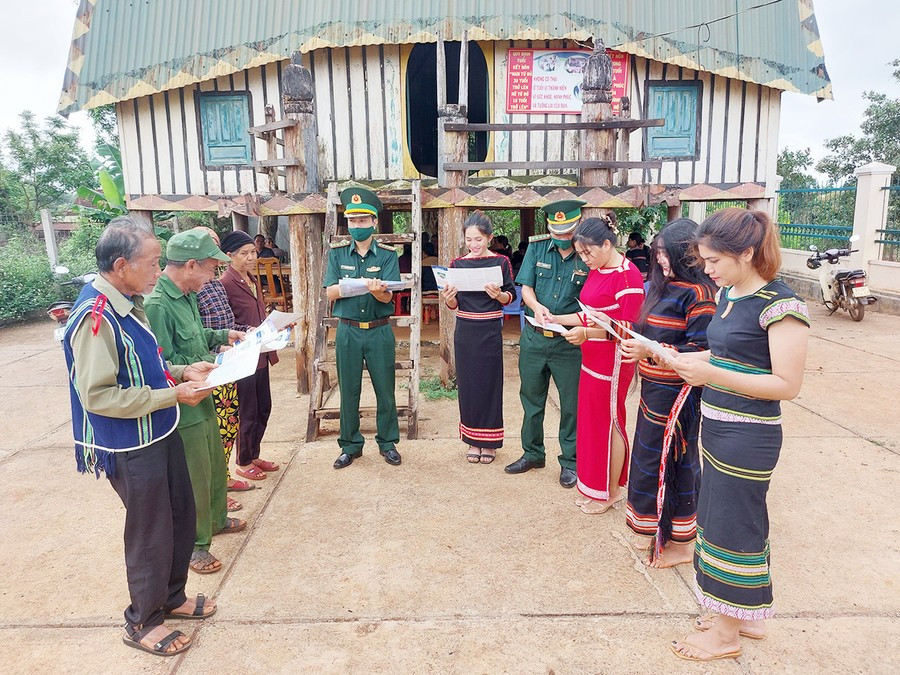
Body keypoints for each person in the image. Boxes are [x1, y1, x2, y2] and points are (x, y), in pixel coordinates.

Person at [63, 218, 219, 656]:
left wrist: (181, 372)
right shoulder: (96, 316)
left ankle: (171, 597)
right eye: (152, 263)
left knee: (180, 515)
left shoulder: (129, 302)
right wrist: (174, 393)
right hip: (128, 442)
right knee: (151, 530)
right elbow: (99, 395)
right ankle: (142, 621)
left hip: (158, 427)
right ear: (120, 265)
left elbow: (141, 368)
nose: (158, 270)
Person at [666, 209, 810, 662]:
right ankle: (742, 613)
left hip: (749, 434)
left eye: (713, 260)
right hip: (720, 423)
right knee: (725, 516)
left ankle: (725, 633)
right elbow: (730, 352)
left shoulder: (781, 306)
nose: (707, 269)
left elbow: (786, 385)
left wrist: (709, 372)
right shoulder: (730, 293)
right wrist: (689, 357)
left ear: (746, 253)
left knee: (733, 524)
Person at [145, 230, 247, 576]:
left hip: (204, 390)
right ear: (190, 265)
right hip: (183, 402)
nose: (212, 278)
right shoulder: (157, 305)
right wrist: (187, 373)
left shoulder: (187, 295)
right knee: (196, 476)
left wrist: (222, 336)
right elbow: (158, 361)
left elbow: (196, 335)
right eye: (209, 270)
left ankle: (217, 519)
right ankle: (195, 545)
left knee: (215, 461)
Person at [619, 219, 716, 568]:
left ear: (689, 255)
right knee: (649, 460)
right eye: (658, 253)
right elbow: (646, 330)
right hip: (653, 390)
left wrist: (651, 351)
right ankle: (658, 530)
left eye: (667, 254)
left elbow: (700, 349)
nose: (660, 261)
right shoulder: (659, 287)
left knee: (677, 463)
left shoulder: (700, 294)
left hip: (680, 394)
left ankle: (682, 542)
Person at [551, 213, 644, 513]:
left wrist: (586, 332)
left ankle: (611, 490)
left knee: (611, 421)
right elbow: (588, 313)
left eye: (587, 252)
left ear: (606, 244)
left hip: (614, 360)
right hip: (591, 357)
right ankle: (595, 486)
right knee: (592, 423)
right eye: (580, 253)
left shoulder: (628, 276)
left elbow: (627, 329)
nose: (584, 259)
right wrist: (555, 319)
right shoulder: (598, 269)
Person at [505, 199, 589, 488]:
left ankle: (571, 461)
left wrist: (565, 320)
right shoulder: (538, 247)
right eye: (556, 230)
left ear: (578, 226)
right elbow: (526, 287)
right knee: (531, 399)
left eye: (567, 231)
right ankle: (532, 453)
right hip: (534, 338)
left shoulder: (586, 255)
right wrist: (535, 306)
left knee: (571, 405)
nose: (562, 237)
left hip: (569, 343)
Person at [323, 187, 402, 469]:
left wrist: (377, 291)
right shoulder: (337, 254)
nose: (356, 226)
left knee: (385, 389)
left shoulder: (387, 256)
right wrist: (354, 288)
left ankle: (388, 442)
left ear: (373, 222)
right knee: (349, 389)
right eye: (352, 221)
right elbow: (329, 292)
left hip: (380, 330)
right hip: (348, 331)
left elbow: (389, 295)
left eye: (362, 220)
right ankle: (350, 445)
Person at [440, 211, 516, 464]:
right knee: (469, 385)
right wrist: (448, 298)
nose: (473, 245)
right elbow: (453, 304)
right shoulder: (457, 264)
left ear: (489, 238)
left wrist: (498, 296)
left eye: (479, 240)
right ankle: (473, 440)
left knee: (490, 383)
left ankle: (490, 442)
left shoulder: (502, 262)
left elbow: (510, 297)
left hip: (490, 329)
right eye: (469, 239)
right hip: (465, 330)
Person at [194, 228, 252, 508]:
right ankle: (217, 490)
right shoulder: (190, 290)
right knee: (213, 432)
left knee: (228, 425)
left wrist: (243, 333)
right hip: (205, 368)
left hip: (227, 361)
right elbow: (198, 332)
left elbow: (224, 324)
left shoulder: (215, 283)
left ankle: (224, 477)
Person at [220, 230, 282, 481]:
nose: (250, 257)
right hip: (243, 355)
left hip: (261, 353)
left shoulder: (252, 280)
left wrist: (276, 326)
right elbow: (227, 322)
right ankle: (243, 461)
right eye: (243, 253)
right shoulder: (226, 283)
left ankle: (254, 453)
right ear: (229, 256)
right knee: (247, 410)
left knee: (263, 407)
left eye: (253, 252)